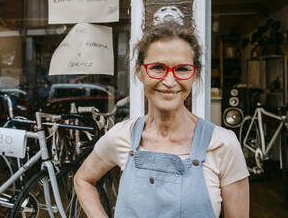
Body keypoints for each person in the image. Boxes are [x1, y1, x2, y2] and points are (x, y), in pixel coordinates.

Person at [74, 20, 250, 218]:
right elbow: (83, 179)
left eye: (182, 69)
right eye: (158, 67)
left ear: (195, 73)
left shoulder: (223, 144)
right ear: (140, 71)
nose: (169, 81)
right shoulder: (122, 136)